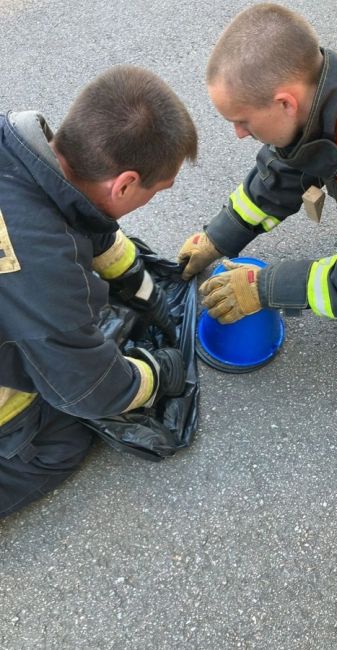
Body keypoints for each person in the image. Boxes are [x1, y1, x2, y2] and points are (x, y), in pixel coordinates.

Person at [0, 64, 197, 518]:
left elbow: (90, 222)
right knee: (61, 437)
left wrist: (143, 288)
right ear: (126, 182)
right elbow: (93, 390)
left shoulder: (24, 153)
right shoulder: (44, 269)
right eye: (158, 190)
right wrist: (157, 373)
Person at [178, 3, 337, 326]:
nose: (238, 134)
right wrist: (218, 237)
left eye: (242, 121)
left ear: (285, 103)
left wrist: (264, 287)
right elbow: (290, 164)